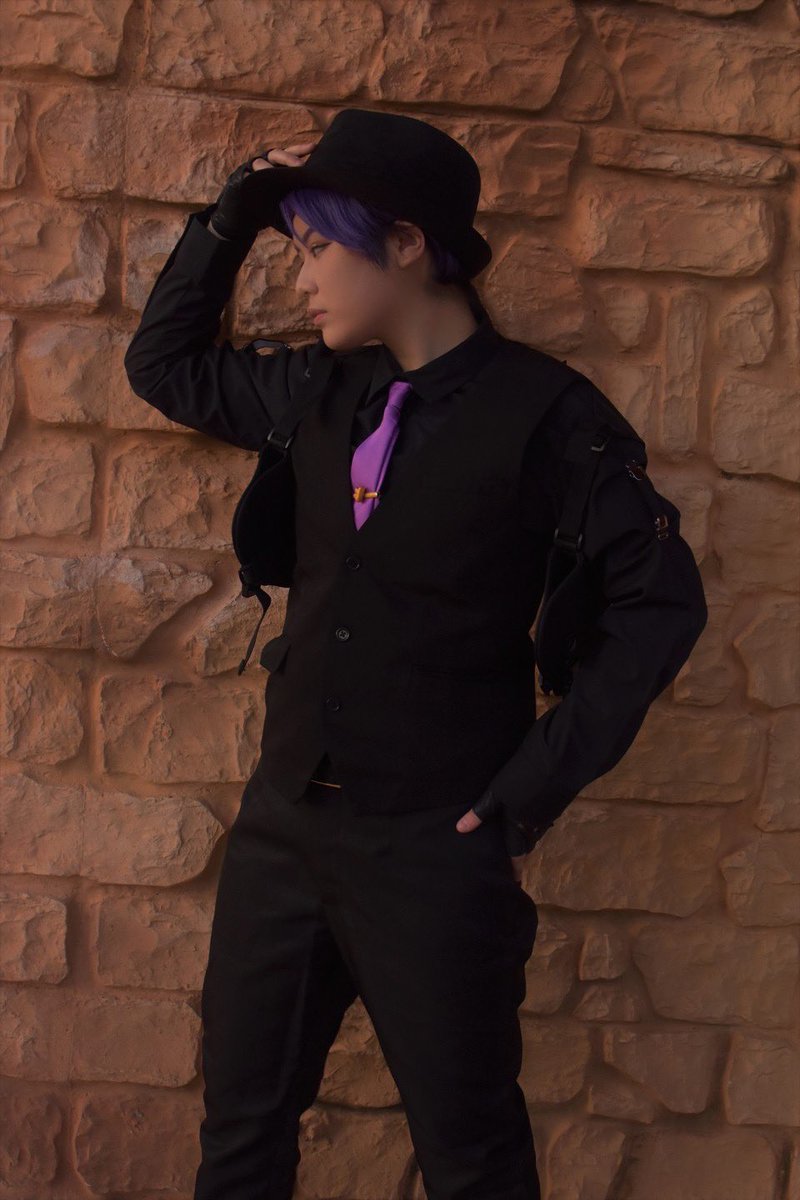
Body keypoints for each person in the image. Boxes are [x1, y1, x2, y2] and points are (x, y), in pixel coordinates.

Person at [124, 108, 707, 1200]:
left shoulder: (547, 415)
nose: (302, 280)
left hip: (435, 852)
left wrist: (532, 784)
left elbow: (659, 603)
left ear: (402, 244)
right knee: (239, 1140)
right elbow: (161, 366)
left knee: (471, 1161)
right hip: (281, 832)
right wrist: (237, 210)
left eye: (316, 248)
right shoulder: (316, 389)